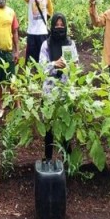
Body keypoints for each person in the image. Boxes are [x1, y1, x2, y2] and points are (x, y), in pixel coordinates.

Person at [39, 13, 78, 160]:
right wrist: (54, 64)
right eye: (57, 25)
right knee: (49, 127)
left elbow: (76, 65)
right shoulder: (46, 45)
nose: (59, 28)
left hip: (66, 90)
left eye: (62, 25)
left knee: (65, 125)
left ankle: (67, 160)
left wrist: (71, 65)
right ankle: (48, 158)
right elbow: (41, 67)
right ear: (52, 26)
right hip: (49, 91)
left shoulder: (70, 44)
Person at [19, 0, 54, 64]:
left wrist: (44, 19)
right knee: (30, 61)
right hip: (31, 32)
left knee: (43, 59)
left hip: (42, 32)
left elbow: (51, 11)